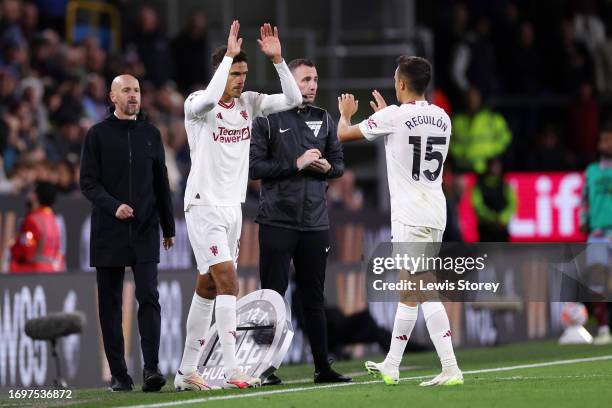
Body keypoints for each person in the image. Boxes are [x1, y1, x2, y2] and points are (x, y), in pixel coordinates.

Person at [175, 21, 302, 391]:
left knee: (208, 287)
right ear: (220, 72)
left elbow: (293, 100)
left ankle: (185, 372)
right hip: (203, 206)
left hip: (233, 208)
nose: (241, 80)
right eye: (234, 73)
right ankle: (232, 369)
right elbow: (211, 99)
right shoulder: (197, 105)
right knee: (228, 281)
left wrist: (279, 61)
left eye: (244, 73)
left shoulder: (249, 104)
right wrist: (227, 55)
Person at [337, 56, 463, 386]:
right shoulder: (442, 117)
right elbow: (412, 139)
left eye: (395, 79)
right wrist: (383, 117)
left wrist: (345, 115)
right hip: (435, 208)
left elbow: (343, 135)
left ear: (402, 84)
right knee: (409, 289)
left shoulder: (394, 116)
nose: (394, 83)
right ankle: (392, 364)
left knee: (423, 287)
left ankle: (450, 367)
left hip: (411, 213)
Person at [249, 58, 350, 385]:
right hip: (277, 220)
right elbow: (254, 168)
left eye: (315, 79)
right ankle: (264, 369)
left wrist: (327, 170)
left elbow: (338, 164)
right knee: (272, 298)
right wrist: (296, 163)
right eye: (305, 79)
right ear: (290, 83)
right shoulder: (267, 118)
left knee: (314, 299)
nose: (312, 85)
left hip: (315, 223)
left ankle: (323, 367)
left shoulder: (324, 118)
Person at [80, 74, 175, 392]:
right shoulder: (97, 135)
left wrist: (169, 226)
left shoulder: (151, 134)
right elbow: (88, 183)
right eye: (126, 91)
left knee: (149, 296)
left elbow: (161, 182)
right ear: (112, 97)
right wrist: (113, 206)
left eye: (136, 90)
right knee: (110, 304)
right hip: (109, 229)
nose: (133, 95)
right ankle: (120, 375)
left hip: (146, 229)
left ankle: (151, 369)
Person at [580, 123, 612, 345]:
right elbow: (584, 200)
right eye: (603, 140)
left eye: (609, 140)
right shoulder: (591, 171)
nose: (606, 144)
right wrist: (584, 221)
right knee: (597, 281)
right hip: (598, 232)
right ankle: (603, 328)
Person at [9, 181, 64, 272]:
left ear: (35, 196)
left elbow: (26, 250)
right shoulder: (52, 218)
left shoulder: (32, 220)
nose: (29, 195)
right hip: (52, 270)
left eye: (32, 192)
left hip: (33, 272)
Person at [471, 156, 516, 242]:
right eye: (492, 165)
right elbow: (478, 205)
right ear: (488, 166)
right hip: (485, 229)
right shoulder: (479, 185)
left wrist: (502, 218)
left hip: (502, 229)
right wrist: (492, 219)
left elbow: (513, 204)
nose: (495, 168)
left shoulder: (505, 184)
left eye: (497, 166)